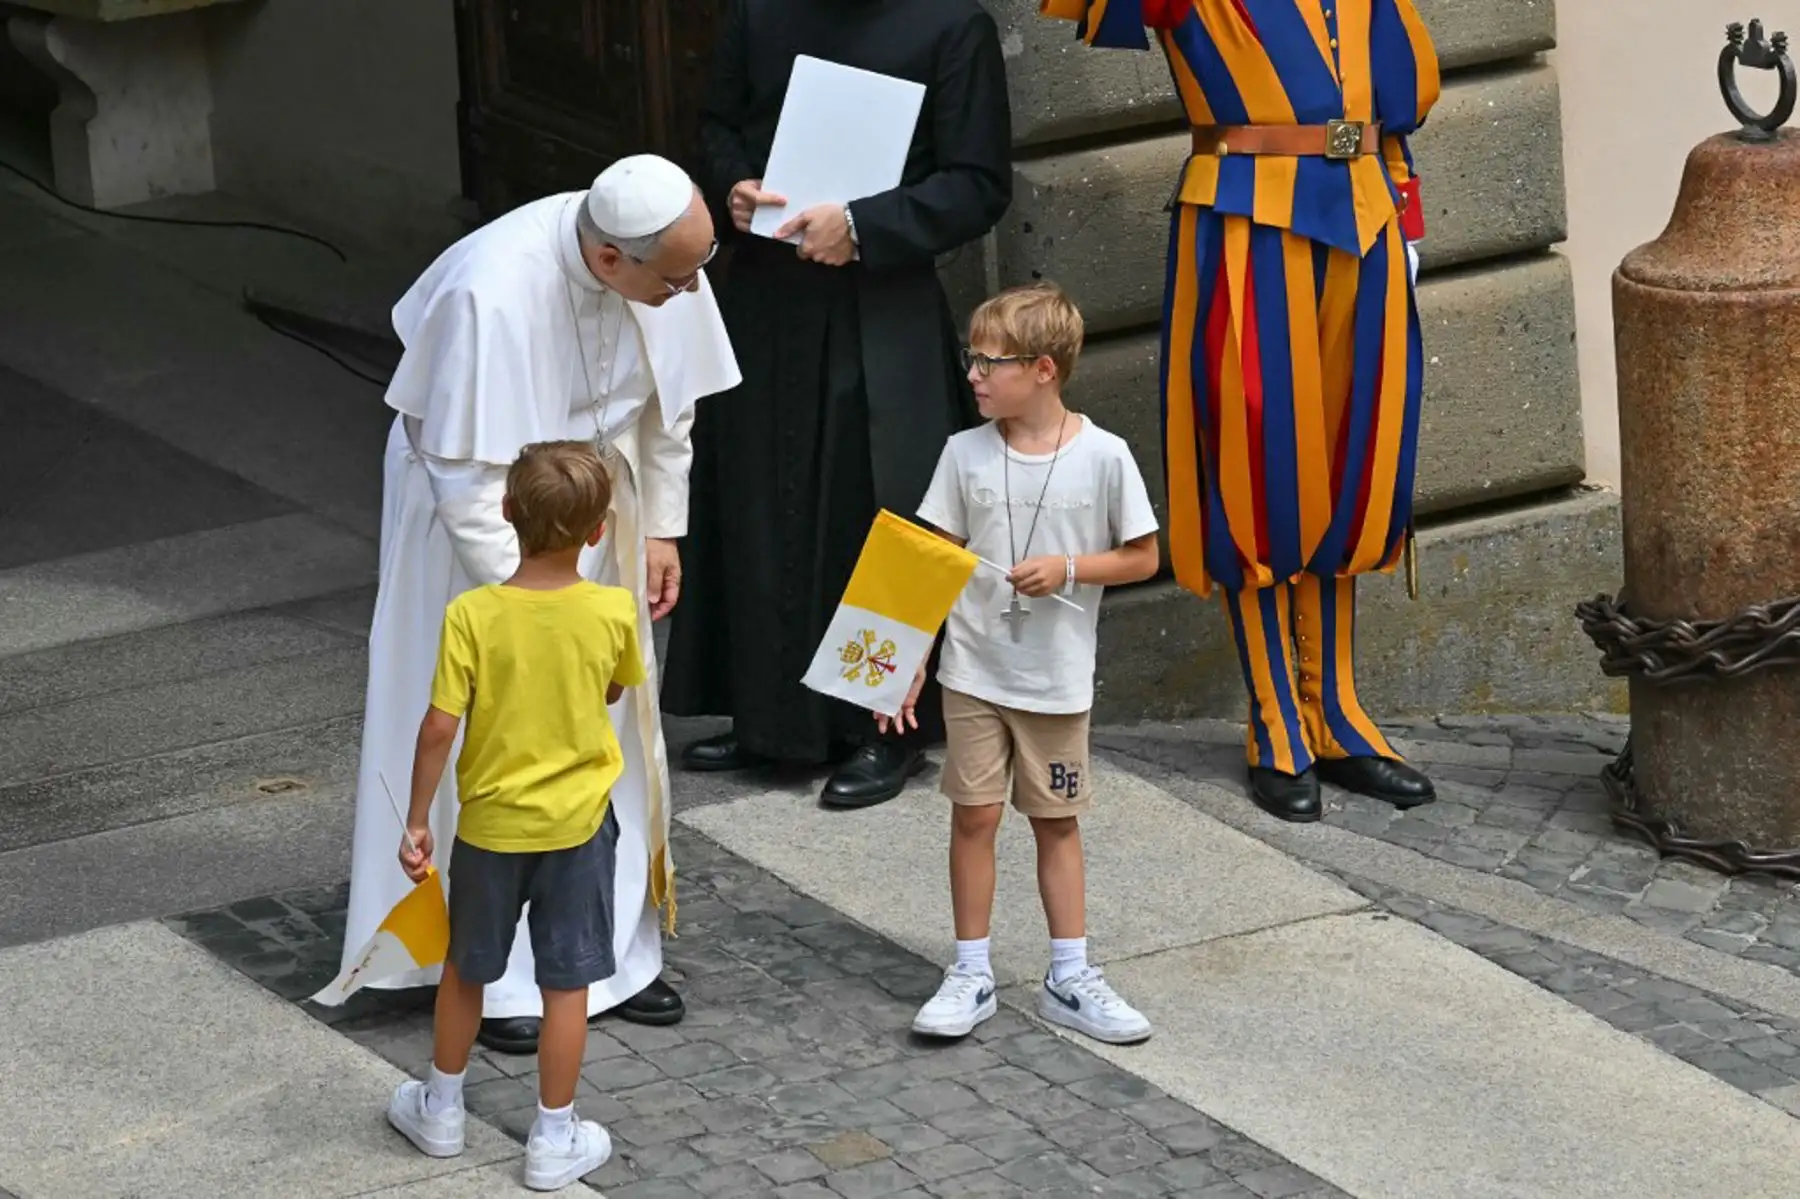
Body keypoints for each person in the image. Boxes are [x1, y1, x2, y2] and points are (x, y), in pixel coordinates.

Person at [339, 155, 741, 1056]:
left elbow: (668, 411)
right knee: (503, 742)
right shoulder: (489, 291)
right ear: (610, 262)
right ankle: (497, 968)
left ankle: (608, 954)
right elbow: (462, 471)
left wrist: (664, 528)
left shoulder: (669, 266)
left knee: (609, 731)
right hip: (485, 531)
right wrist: (529, 603)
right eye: (675, 279)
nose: (691, 292)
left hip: (598, 508)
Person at [1037, 0, 1442, 822]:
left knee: (1353, 459)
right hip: (1245, 221)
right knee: (1255, 464)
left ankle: (1337, 713)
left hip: (1370, 213)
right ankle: (1275, 719)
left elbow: (1394, 109)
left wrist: (1407, 220)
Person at [662, 0, 1013, 808]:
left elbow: (978, 182)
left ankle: (880, 725)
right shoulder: (759, 11)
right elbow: (717, 126)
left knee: (879, 512)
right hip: (764, 299)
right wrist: (734, 190)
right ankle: (769, 719)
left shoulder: (953, 24)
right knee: (759, 502)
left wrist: (864, 224)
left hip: (879, 300)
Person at [888, 282, 1160, 1045]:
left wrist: (1069, 568)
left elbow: (1144, 556)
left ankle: (1069, 973)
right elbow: (931, 554)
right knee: (972, 814)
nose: (972, 373)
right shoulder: (962, 452)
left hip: (1055, 681)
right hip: (973, 672)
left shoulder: (1105, 456)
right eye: (971, 357)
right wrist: (911, 654)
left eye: (989, 360)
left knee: (1055, 820)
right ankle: (970, 968)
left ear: (1043, 369)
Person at [386, 441, 640, 1191]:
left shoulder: (473, 614)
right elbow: (616, 691)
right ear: (597, 531)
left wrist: (418, 818)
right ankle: (554, 1135)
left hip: (491, 826)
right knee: (567, 985)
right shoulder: (612, 609)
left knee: (467, 968)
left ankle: (440, 1105)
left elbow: (439, 725)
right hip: (579, 826)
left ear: (505, 513)